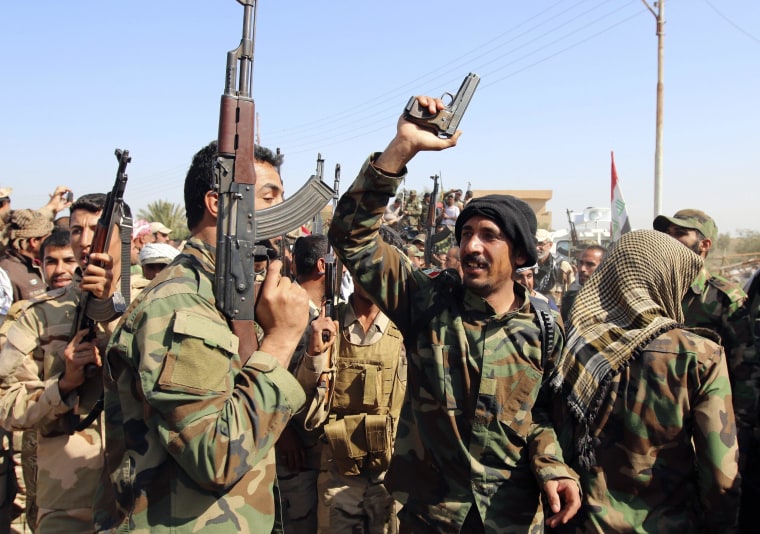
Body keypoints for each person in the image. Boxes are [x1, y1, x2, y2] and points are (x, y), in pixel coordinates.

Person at [327, 95, 580, 532]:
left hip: (514, 518)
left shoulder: (544, 326)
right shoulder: (426, 302)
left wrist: (554, 467)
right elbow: (352, 239)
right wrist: (402, 148)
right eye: (466, 234)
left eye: (489, 236)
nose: (472, 246)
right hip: (432, 517)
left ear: (520, 253)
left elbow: (542, 416)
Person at [97, 141, 310, 532]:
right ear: (218, 203)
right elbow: (217, 454)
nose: (283, 213)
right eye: (268, 196)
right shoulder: (180, 304)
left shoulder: (227, 295)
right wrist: (281, 339)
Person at [551, 229, 741, 531]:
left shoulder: (571, 346)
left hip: (579, 522)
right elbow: (720, 476)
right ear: (667, 278)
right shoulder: (700, 355)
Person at [0, 194, 125, 532]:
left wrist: (113, 315)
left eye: (95, 229)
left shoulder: (156, 302)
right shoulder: (38, 316)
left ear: (122, 234)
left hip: (139, 491)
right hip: (68, 497)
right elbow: (7, 405)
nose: (85, 241)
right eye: (75, 230)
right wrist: (63, 384)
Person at [653, 208, 758, 530]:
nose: (669, 239)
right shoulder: (653, 290)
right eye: (666, 232)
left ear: (704, 245)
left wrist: (734, 433)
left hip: (714, 425)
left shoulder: (724, 298)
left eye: (680, 233)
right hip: (661, 428)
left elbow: (746, 372)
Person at [0, 209, 53, 302]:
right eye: (48, 239)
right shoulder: (6, 275)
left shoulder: (35, 266)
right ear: (34, 242)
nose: (51, 244)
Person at [560, 244, 605, 321]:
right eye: (581, 263)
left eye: (590, 264)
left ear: (604, 266)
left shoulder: (609, 298)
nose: (582, 269)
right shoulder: (571, 295)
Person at [534, 228, 574, 311]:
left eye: (541, 244)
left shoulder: (563, 266)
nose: (537, 247)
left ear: (550, 245)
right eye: (535, 243)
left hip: (556, 315)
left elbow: (572, 295)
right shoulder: (528, 266)